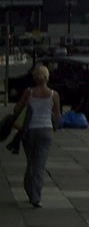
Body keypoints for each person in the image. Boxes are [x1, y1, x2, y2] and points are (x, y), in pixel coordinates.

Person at [12, 63, 61, 208]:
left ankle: (29, 190)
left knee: (31, 163)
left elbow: (16, 109)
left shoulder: (29, 92)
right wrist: (54, 129)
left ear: (34, 77)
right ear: (47, 77)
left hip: (29, 131)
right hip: (46, 131)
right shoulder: (54, 94)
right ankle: (36, 197)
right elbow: (57, 116)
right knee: (39, 165)